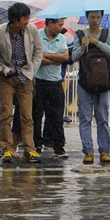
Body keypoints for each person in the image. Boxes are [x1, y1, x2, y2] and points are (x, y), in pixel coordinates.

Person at [0, 2, 43, 163]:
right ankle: (7, 149)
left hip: (25, 76)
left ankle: (29, 149)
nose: (27, 21)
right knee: (6, 114)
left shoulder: (31, 30)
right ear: (15, 20)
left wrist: (31, 71)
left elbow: (38, 51)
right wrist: (1, 70)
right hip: (7, 76)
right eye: (24, 18)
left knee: (27, 115)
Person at [70, 10, 110, 164]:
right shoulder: (79, 35)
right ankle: (88, 151)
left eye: (98, 17)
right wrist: (84, 46)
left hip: (104, 84)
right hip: (85, 83)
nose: (95, 20)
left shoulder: (108, 33)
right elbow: (73, 57)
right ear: (87, 18)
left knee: (103, 118)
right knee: (85, 118)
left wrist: (97, 42)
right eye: (92, 17)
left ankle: (105, 151)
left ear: (102, 18)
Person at [33, 17, 70, 159]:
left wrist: (46, 56)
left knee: (56, 117)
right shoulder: (37, 36)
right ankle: (36, 145)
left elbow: (65, 57)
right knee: (36, 116)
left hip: (55, 82)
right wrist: (54, 58)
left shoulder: (61, 39)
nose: (61, 27)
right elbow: (35, 57)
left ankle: (59, 147)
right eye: (59, 25)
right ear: (50, 23)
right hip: (39, 81)